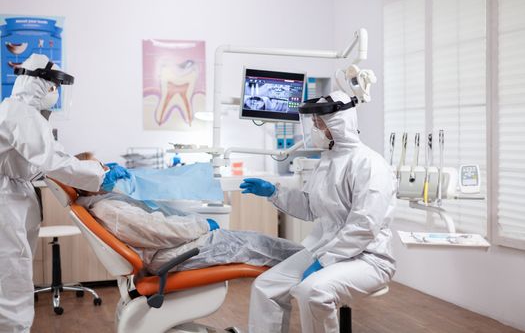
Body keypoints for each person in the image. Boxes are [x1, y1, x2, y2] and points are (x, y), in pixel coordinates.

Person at [240, 91, 397, 333]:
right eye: (313, 123)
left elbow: (363, 227)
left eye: (319, 123)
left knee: (312, 291)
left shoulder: (370, 164)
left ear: (338, 123)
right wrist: (273, 192)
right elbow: (310, 206)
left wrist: (325, 261)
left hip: (368, 258)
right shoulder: (327, 160)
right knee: (265, 286)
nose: (314, 128)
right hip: (326, 249)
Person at [0, 54, 130, 332]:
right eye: (54, 87)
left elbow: (32, 165)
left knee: (13, 276)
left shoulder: (22, 113)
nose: (56, 94)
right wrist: (100, 173)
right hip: (5, 205)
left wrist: (93, 168)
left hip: (11, 197)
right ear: (40, 84)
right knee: (11, 282)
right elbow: (54, 161)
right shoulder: (20, 112)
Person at [75, 152, 303, 274]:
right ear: (88, 179)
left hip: (171, 249)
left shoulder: (104, 201)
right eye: (100, 168)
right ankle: (311, 262)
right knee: (256, 245)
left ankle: (310, 260)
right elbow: (160, 230)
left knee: (255, 242)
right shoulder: (110, 209)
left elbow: (154, 223)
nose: (106, 169)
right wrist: (202, 225)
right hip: (172, 254)